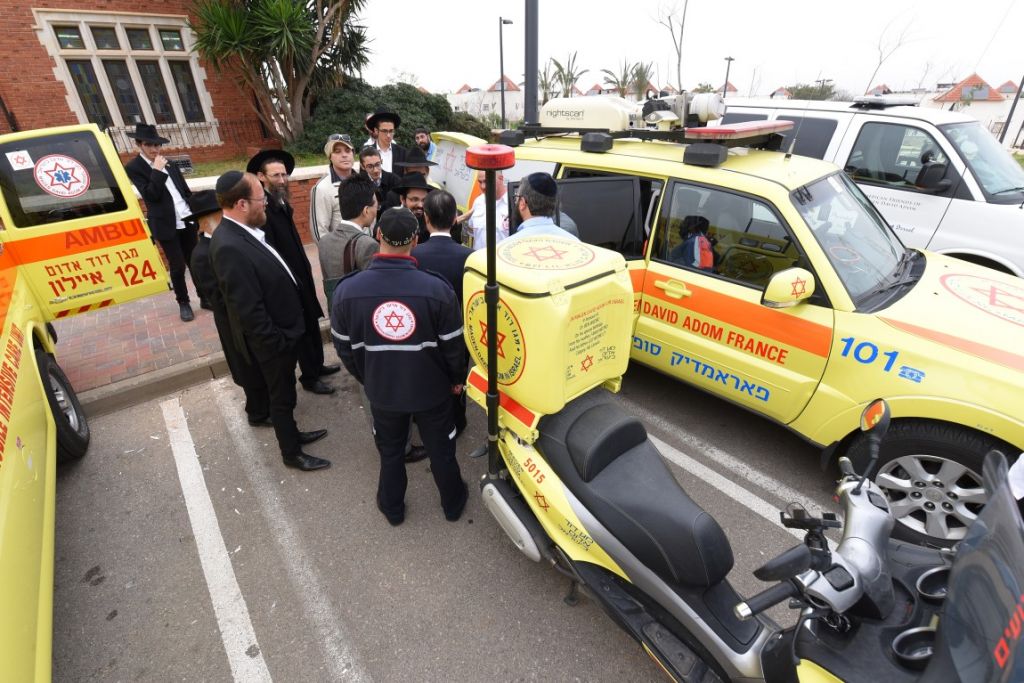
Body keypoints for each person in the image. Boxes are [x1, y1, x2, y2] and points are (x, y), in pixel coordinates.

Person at [332, 207, 468, 525]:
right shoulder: (437, 290)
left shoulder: (347, 291)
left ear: (378, 235)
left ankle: (392, 508)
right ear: (416, 240)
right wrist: (456, 380)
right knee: (442, 450)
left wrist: (368, 377)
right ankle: (453, 503)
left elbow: (344, 348)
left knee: (391, 451)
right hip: (432, 391)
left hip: (382, 391)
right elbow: (453, 348)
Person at [209, 171, 330, 472]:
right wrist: (278, 342)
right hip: (273, 343)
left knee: (286, 393)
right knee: (281, 398)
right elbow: (247, 308)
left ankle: (294, 434)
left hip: (284, 333)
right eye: (260, 198)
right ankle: (291, 453)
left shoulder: (245, 232)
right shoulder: (228, 246)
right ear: (241, 204)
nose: (265, 202)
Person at [248, 149, 340, 396]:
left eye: (284, 175)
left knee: (311, 321)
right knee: (301, 328)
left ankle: (317, 365)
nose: (282, 180)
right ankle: (309, 376)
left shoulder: (280, 201)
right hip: (287, 279)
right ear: (261, 177)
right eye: (276, 176)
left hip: (301, 274)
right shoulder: (264, 210)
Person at [188, 190, 271, 426]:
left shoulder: (221, 243)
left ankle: (264, 406)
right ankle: (258, 413)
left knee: (256, 366)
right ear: (206, 221)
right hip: (233, 322)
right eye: (220, 216)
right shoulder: (202, 254)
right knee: (247, 367)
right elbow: (216, 297)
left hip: (242, 316)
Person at [124, 123, 200, 321]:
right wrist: (157, 171)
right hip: (166, 224)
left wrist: (195, 214)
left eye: (157, 145)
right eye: (149, 145)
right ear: (139, 144)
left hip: (186, 218)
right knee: (177, 266)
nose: (154, 149)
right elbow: (151, 195)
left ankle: (205, 296)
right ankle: (183, 302)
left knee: (195, 261)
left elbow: (184, 191)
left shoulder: (170, 163)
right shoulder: (134, 167)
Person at [412, 190, 472, 437]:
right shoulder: (470, 257)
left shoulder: (414, 255)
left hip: (423, 331)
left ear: (425, 218)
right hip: (459, 331)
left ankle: (427, 421)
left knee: (425, 377)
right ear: (455, 219)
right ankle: (457, 421)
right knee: (457, 376)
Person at [319, 175, 380, 301]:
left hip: (336, 308)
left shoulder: (324, 241)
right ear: (366, 210)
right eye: (376, 207)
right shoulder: (368, 244)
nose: (376, 211)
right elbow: (373, 289)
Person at [309, 133, 357, 240]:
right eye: (337, 151)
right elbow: (319, 231)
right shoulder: (322, 188)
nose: (344, 155)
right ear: (330, 157)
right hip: (341, 248)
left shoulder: (363, 180)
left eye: (348, 150)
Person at [506, 172, 580, 241]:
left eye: (516, 198)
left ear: (522, 203)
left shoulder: (506, 246)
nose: (516, 202)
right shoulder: (575, 242)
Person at [458, 169, 510, 251]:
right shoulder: (478, 201)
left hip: (502, 258)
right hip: (478, 257)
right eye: (480, 182)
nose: (483, 186)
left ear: (500, 178)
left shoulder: (512, 204)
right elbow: (473, 233)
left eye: (486, 181)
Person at [358, 146, 399, 218]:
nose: (375, 170)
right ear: (362, 167)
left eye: (377, 164)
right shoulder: (359, 183)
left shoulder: (394, 180)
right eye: (370, 166)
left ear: (381, 161)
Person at [394, 172, 433, 244]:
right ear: (402, 199)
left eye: (424, 200)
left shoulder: (431, 221)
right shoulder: (390, 220)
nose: (421, 205)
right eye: (415, 199)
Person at [367, 107, 407, 174]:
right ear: (376, 131)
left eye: (391, 131)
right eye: (384, 131)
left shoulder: (402, 152)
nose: (388, 135)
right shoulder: (368, 153)